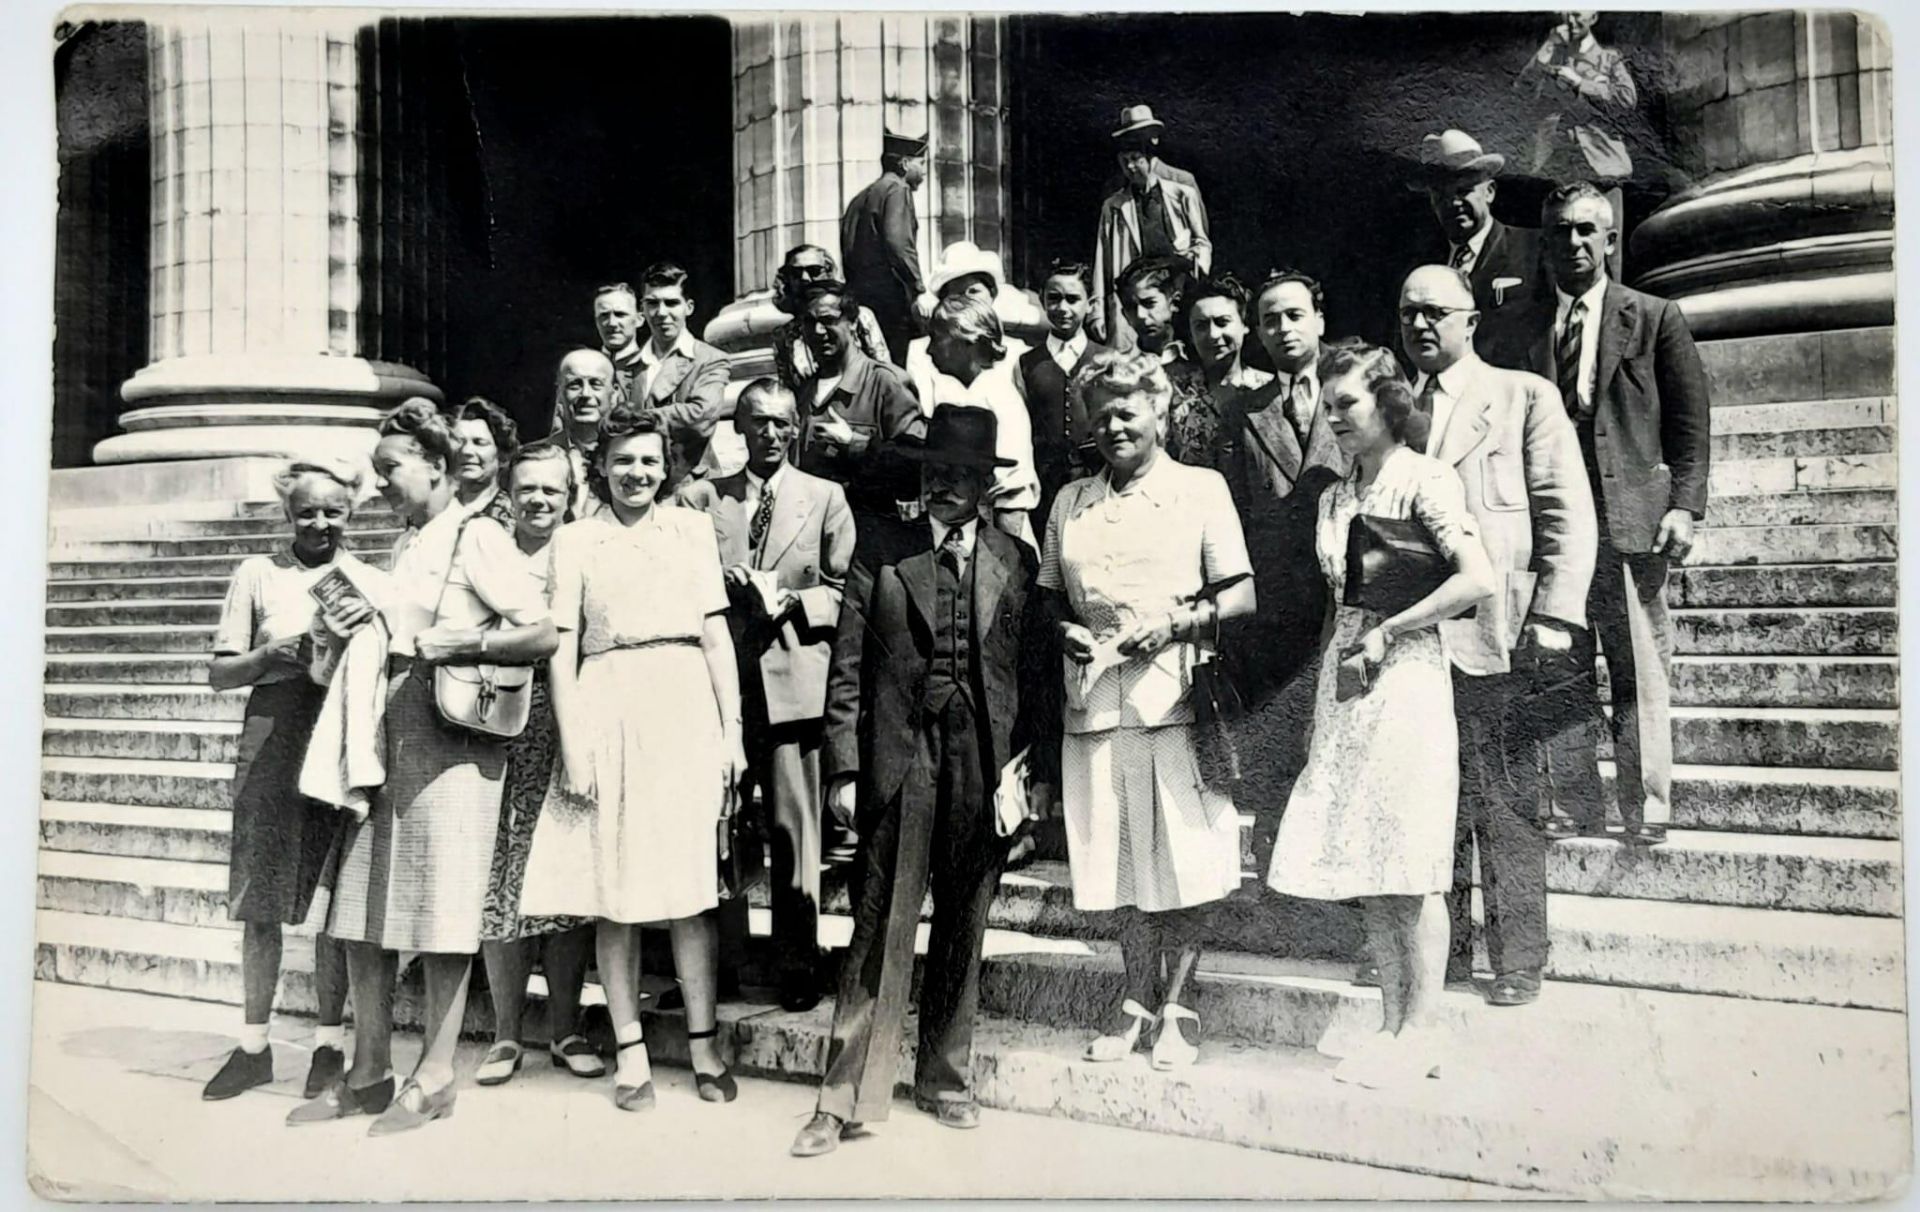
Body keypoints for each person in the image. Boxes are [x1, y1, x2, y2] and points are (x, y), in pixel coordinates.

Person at [791, 405, 1057, 1157]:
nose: (943, 486)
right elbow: (848, 669)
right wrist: (844, 766)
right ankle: (841, 1097)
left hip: (984, 758)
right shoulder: (883, 553)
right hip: (901, 756)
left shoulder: (1016, 560)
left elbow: (1031, 680)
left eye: (961, 476)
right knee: (877, 928)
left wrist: (1033, 773)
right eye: (934, 472)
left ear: (984, 485)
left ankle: (946, 1078)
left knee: (965, 923)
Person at [291, 400, 558, 1134]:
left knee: (442, 913)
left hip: (452, 741)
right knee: (359, 910)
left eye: (390, 471)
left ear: (438, 469)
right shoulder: (411, 544)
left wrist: (457, 646)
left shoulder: (479, 536)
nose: (379, 487)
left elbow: (539, 632)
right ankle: (371, 1069)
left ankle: (436, 1075)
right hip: (391, 738)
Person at [1265, 342, 1496, 1088]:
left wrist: (1390, 632)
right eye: (1327, 407)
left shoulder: (1424, 478)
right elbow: (1339, 602)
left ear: (1389, 404)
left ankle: (1423, 1030)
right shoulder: (1333, 495)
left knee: (1415, 861)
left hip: (1408, 681)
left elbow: (1477, 579)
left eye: (1348, 406)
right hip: (1349, 683)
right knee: (1370, 856)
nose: (1334, 419)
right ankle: (1392, 1022)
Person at [518, 406, 748, 1110]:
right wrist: (574, 742)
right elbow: (560, 647)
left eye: (649, 460)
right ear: (602, 465)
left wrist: (731, 732)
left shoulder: (689, 530)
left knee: (689, 894)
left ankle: (705, 1047)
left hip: (682, 707)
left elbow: (714, 637)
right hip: (607, 703)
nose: (636, 473)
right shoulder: (577, 540)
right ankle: (630, 1053)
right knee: (612, 896)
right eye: (623, 460)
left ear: (667, 465)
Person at [1043, 349, 1254, 1073]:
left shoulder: (1200, 490)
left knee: (1186, 858)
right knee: (1122, 860)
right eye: (1099, 415)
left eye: (1127, 410)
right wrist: (1063, 627)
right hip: (1096, 704)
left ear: (1160, 414)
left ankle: (1182, 1006)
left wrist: (1174, 623)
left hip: (1175, 698)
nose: (1113, 425)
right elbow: (1048, 595)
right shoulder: (1071, 501)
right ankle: (1136, 999)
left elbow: (1240, 595)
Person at [1396, 266, 1598, 1009]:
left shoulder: (1523, 398)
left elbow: (1565, 514)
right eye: (1409, 313)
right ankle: (1440, 954)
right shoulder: (1394, 407)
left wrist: (1554, 613)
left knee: (1505, 799)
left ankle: (1519, 959)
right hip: (1413, 640)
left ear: (1470, 320)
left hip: (1500, 630)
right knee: (1429, 801)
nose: (1420, 325)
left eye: (1436, 313)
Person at [1524, 181, 1709, 848]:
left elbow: (1689, 424)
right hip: (1556, 533)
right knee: (1560, 671)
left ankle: (1646, 805)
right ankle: (1575, 805)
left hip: (1631, 520)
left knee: (1638, 669)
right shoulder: (1524, 326)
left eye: (1584, 231)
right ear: (1543, 244)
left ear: (1607, 240)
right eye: (1559, 233)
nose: (1572, 244)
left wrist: (1685, 506)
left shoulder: (1654, 317)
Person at [678, 380, 856, 1013]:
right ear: (739, 429)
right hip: (720, 685)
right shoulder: (703, 500)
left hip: (792, 683)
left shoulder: (826, 498)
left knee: (793, 832)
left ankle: (796, 963)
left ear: (798, 426)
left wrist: (792, 600)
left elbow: (844, 590)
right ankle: (722, 962)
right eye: (759, 424)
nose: (772, 436)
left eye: (783, 424)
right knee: (718, 825)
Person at [198, 460, 362, 1103]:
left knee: (333, 903)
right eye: (306, 512)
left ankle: (328, 1044)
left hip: (339, 732)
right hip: (272, 730)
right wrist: (272, 655)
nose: (320, 523)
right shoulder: (257, 574)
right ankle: (254, 1046)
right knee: (259, 898)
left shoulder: (364, 579)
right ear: (286, 515)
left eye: (333, 511)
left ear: (351, 514)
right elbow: (220, 673)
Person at [472, 444, 600, 1088]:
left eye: (552, 490)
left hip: (568, 728)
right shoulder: (487, 552)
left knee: (566, 880)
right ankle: (504, 1034)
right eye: (527, 490)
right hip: (496, 729)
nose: (539, 501)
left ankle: (567, 1028)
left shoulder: (583, 551)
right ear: (509, 494)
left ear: (571, 494)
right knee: (501, 882)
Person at [792, 281, 927, 529]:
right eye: (809, 322)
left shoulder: (887, 383)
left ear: (853, 323)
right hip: (810, 534)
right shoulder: (803, 393)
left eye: (829, 320)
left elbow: (915, 470)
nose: (818, 331)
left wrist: (854, 443)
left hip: (870, 539)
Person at [1407, 129, 1544, 369]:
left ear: (1489, 192)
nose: (1453, 203)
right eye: (1441, 195)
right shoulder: (1423, 263)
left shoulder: (1533, 249)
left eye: (1463, 191)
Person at [1518, 12, 1636, 276]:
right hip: (1557, 166)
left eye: (1577, 11)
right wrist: (1548, 46)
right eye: (1564, 11)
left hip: (1603, 168)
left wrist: (1581, 83)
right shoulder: (1549, 57)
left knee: (1607, 255)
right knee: (1558, 256)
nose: (1569, 18)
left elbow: (1627, 100)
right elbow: (1521, 92)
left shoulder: (1609, 58)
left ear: (1593, 15)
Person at [924, 295, 1041, 550]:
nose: (929, 350)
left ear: (969, 343)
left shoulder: (999, 395)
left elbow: (1012, 493)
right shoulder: (960, 394)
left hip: (999, 536)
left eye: (937, 338)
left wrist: (1007, 554)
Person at [1093, 106, 1213, 351]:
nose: (1131, 168)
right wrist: (1097, 308)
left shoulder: (1181, 186)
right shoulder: (1116, 202)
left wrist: (1193, 264)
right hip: (1135, 294)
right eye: (1124, 162)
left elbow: (1201, 240)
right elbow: (1102, 259)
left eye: (1136, 160)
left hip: (1176, 287)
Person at [625, 261, 739, 478]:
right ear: (642, 308)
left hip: (689, 482)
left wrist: (639, 419)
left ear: (689, 307)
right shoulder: (632, 364)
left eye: (671, 303)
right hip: (638, 478)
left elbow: (701, 417)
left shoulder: (710, 359)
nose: (661, 312)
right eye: (652, 303)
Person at [1017, 258, 1109, 525]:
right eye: (1054, 298)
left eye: (1072, 299)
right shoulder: (1026, 363)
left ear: (1090, 304)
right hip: (1046, 484)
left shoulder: (1107, 359)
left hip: (1098, 479)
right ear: (1043, 300)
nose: (1062, 308)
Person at [903, 241, 1034, 413]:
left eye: (974, 292)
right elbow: (925, 413)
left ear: (993, 293)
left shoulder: (1018, 351)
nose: (968, 302)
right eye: (957, 295)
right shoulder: (922, 352)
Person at [840, 130, 929, 364]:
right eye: (922, 163)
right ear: (904, 163)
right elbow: (898, 243)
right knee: (899, 368)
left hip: (861, 301)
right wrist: (918, 288)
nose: (925, 171)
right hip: (891, 302)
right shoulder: (897, 189)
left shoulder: (857, 201)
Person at [1114, 255, 1212, 466]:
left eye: (1149, 303)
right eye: (1131, 308)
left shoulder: (1200, 361)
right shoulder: (1121, 369)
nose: (1141, 315)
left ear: (1174, 302)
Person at [771, 244, 891, 390]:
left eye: (814, 271)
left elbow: (883, 367)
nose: (805, 278)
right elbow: (787, 388)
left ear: (829, 272)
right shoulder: (784, 335)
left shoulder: (860, 317)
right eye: (795, 273)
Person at [547, 348, 620, 518]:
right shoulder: (534, 455)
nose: (586, 394)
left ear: (614, 394)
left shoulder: (632, 457)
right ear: (559, 394)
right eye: (574, 384)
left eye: (596, 384)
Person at [449, 396, 518, 525]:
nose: (467, 451)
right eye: (460, 442)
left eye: (479, 443)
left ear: (500, 452)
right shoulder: (437, 510)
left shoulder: (516, 515)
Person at [593, 282, 644, 391]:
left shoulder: (651, 368)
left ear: (639, 320)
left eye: (620, 314)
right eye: (604, 315)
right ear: (596, 321)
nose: (612, 323)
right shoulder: (583, 367)